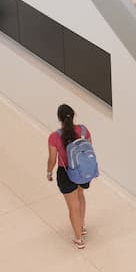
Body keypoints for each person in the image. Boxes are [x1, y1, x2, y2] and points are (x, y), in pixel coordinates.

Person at [46, 104, 92, 249]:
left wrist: (49, 172)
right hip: (83, 171)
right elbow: (89, 150)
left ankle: (79, 239)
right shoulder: (84, 131)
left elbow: (52, 160)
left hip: (66, 173)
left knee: (73, 206)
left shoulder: (54, 137)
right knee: (80, 195)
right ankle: (82, 226)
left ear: (59, 119)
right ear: (73, 116)